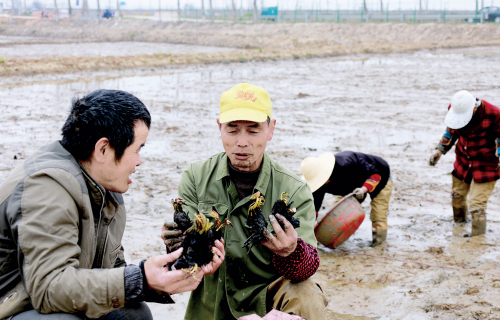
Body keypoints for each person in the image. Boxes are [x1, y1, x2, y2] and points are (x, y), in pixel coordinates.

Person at [0, 89, 224, 319]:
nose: (139, 162)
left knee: (133, 314)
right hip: (17, 308)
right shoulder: (47, 187)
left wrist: (171, 272)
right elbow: (49, 288)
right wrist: (140, 279)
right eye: (137, 149)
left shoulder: (105, 190)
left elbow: (111, 275)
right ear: (103, 149)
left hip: (45, 300)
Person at [161, 83, 328, 320]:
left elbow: (306, 269)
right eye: (232, 130)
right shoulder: (196, 177)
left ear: (271, 129)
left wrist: (291, 251)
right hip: (211, 303)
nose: (242, 142)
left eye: (253, 130)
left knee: (308, 293)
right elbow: (187, 255)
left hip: (268, 301)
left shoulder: (294, 190)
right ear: (219, 127)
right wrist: (177, 243)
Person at [429, 90, 500, 236]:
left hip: (486, 164)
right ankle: (459, 224)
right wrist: (440, 150)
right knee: (457, 195)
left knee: (477, 203)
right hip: (463, 160)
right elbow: (450, 131)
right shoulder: (454, 108)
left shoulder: (494, 114)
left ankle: (477, 238)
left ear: (474, 108)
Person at [301, 151, 392, 247]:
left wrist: (363, 189)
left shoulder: (347, 163)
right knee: (336, 214)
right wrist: (310, 229)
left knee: (378, 213)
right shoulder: (318, 184)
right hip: (351, 185)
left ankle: (379, 245)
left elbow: (375, 175)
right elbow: (314, 207)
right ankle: (335, 239)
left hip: (380, 175)